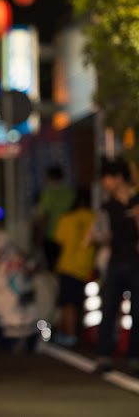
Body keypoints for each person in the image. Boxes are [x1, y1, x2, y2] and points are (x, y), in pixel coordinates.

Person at [94, 159, 139, 373]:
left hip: (135, 262)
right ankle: (104, 356)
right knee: (108, 307)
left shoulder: (136, 200)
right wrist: (99, 236)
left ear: (118, 177)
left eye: (107, 178)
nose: (105, 183)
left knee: (137, 311)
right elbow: (102, 235)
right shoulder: (107, 206)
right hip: (115, 262)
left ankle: (134, 357)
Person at [53, 189, 95, 347]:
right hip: (85, 268)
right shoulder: (94, 218)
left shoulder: (67, 218)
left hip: (67, 265)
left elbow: (59, 241)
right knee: (79, 302)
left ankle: (69, 335)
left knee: (67, 303)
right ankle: (72, 333)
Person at [35, 165, 75, 271]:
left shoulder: (48, 194)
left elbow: (44, 218)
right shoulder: (70, 193)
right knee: (66, 267)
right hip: (69, 237)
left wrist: (39, 238)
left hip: (52, 236)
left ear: (50, 177)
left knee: (52, 268)